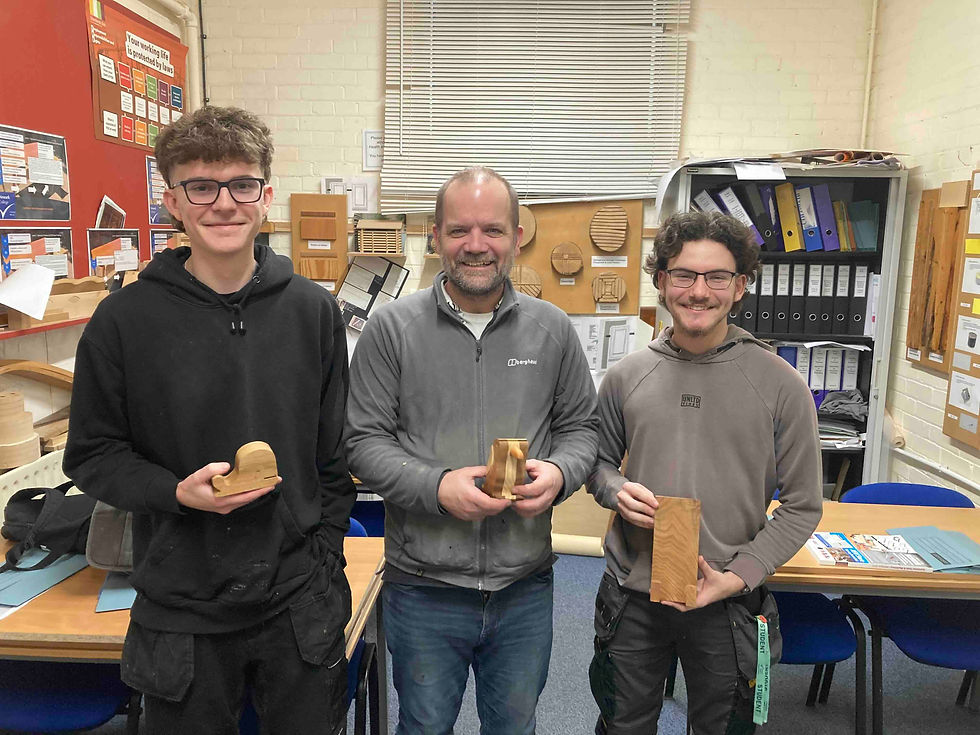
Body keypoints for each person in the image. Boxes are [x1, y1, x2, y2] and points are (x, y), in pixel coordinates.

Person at [63, 106, 356, 734]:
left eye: (241, 184)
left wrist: (326, 561)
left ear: (266, 195)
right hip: (181, 609)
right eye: (201, 185)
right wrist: (173, 493)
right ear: (173, 199)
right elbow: (91, 455)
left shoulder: (313, 313)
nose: (223, 203)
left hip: (297, 600)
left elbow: (333, 458)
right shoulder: (123, 322)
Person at [344, 166, 599, 735]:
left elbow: (584, 430)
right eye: (459, 230)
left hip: (523, 587)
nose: (476, 246)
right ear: (434, 236)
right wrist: (436, 488)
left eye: (493, 230)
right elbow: (361, 443)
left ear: (515, 236)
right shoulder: (391, 328)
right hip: (423, 587)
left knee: (514, 726)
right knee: (424, 727)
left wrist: (559, 474)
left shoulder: (553, 329)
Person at [587, 211, 823, 734]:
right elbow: (597, 465)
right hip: (633, 592)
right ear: (662, 281)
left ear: (740, 286)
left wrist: (740, 575)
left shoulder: (780, 383)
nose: (699, 291)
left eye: (717, 276)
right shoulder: (627, 376)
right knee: (622, 724)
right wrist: (615, 489)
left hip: (727, 599)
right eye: (684, 275)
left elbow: (804, 504)